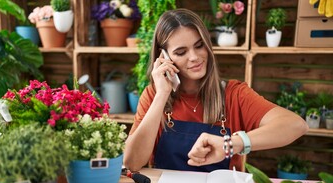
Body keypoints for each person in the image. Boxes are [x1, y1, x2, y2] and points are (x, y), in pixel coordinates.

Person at [123, 8, 308, 172]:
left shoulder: (235, 94)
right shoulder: (154, 96)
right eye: (181, 52)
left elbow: (296, 125)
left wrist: (231, 144)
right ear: (164, 58)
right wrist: (162, 94)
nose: (194, 57)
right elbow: (131, 163)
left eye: (199, 45)